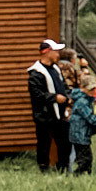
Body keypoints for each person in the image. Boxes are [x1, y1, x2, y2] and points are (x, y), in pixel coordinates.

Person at [27, 40, 68, 173]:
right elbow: (36, 94)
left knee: (64, 143)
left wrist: (67, 95)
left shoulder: (56, 69)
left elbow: (63, 86)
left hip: (60, 114)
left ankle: (63, 168)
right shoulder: (35, 73)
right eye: (56, 51)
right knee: (44, 144)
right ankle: (43, 168)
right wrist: (54, 98)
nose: (58, 54)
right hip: (44, 115)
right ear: (47, 52)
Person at [65, 65, 96, 175]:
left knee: (87, 159)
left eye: (94, 88)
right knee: (85, 160)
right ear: (82, 88)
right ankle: (76, 175)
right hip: (80, 135)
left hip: (82, 134)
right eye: (90, 89)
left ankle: (85, 177)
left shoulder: (87, 99)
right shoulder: (82, 102)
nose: (93, 91)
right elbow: (91, 119)